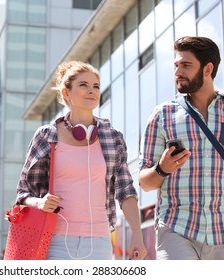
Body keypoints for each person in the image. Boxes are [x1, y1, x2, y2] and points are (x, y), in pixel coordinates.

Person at [139, 36, 224, 260]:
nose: (178, 72)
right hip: (177, 231)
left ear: (208, 69)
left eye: (186, 65)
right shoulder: (163, 116)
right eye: (176, 65)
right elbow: (144, 182)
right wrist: (162, 169)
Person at [15, 61, 147, 260]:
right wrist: (40, 202)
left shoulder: (113, 137)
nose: (91, 90)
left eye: (95, 86)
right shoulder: (46, 136)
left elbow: (126, 191)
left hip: (100, 242)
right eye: (83, 85)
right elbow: (23, 192)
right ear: (66, 92)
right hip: (54, 241)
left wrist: (138, 236)